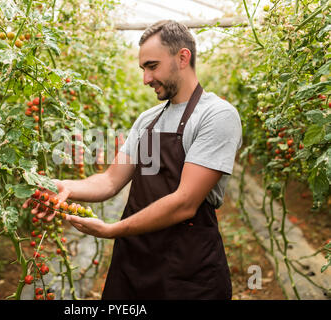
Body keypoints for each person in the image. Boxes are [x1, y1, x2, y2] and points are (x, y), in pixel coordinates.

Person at [23, 20, 242, 299]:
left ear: (183, 57)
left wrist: (114, 229)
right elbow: (110, 180)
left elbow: (185, 203)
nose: (146, 79)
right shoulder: (148, 120)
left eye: (152, 66)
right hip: (133, 262)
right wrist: (60, 186)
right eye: (143, 69)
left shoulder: (216, 116)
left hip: (187, 270)